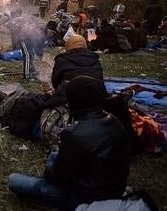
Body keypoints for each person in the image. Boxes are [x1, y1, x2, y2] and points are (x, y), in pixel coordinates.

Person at [8, 76, 131, 210]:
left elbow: (60, 179)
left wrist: (50, 170)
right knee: (55, 156)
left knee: (14, 180)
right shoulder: (115, 121)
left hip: (85, 199)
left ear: (73, 101)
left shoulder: (74, 134)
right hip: (114, 190)